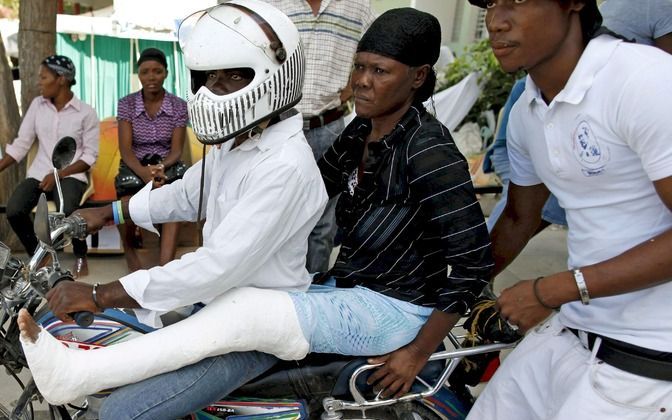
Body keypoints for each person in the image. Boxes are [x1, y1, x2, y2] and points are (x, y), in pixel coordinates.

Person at [17, 5, 493, 418]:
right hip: (343, 288)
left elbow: (473, 261)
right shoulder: (351, 134)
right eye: (359, 67)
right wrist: (109, 213)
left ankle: (77, 375)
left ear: (418, 76)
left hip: (393, 309)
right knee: (158, 323)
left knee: (237, 320)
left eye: (380, 71)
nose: (363, 82)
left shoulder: (428, 151)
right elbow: (200, 193)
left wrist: (417, 352)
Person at [464, 1, 672, 419]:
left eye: (516, 0)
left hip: (649, 353)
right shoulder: (527, 107)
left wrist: (554, 289)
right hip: (574, 332)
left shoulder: (643, 79)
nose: (496, 21)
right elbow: (521, 218)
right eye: (489, 4)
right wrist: (443, 296)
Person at [265, 0, 377, 273]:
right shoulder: (273, 4)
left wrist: (351, 89)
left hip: (330, 127)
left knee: (323, 222)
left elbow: (378, 51)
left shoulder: (357, 6)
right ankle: (274, 293)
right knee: (274, 214)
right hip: (280, 126)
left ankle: (311, 294)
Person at [0, 55, 99, 278]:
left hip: (71, 173)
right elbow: (21, 144)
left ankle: (81, 256)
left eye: (44, 77)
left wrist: (60, 174)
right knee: (15, 210)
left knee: (69, 209)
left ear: (61, 79)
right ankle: (40, 256)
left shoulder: (86, 112)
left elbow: (90, 155)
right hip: (40, 172)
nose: (39, 82)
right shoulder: (37, 105)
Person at [115, 47, 189, 272]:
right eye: (145, 72)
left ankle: (165, 266)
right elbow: (125, 149)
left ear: (166, 73)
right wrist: (143, 172)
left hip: (166, 163)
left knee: (172, 201)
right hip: (134, 163)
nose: (151, 77)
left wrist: (158, 169)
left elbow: (177, 150)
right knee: (126, 201)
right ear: (139, 74)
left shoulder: (178, 105)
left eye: (157, 71)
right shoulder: (126, 104)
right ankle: (130, 250)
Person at [484, 78, 566, 232]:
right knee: (519, 202)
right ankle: (484, 246)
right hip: (508, 152)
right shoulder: (526, 87)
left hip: (541, 153)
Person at [600, 0, 672, 54]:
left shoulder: (606, 5)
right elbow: (667, 62)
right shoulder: (663, 6)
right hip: (630, 70)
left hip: (599, 68)